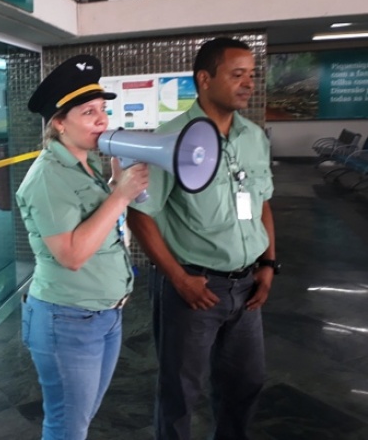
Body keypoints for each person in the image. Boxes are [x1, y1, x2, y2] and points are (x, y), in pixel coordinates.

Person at [127, 37, 278, 440]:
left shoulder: (253, 137)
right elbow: (139, 215)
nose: (248, 83)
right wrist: (179, 279)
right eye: (237, 74)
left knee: (246, 383)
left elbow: (262, 202)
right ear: (204, 79)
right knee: (180, 392)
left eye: (251, 74)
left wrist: (268, 264)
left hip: (247, 287)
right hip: (195, 288)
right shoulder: (170, 139)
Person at [16, 54, 149, 440]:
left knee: (80, 419)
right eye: (88, 112)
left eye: (102, 110)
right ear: (59, 123)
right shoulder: (48, 176)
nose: (102, 120)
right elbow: (71, 255)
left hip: (102, 315)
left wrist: (114, 184)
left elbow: (90, 221)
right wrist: (120, 196)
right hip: (68, 320)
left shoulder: (84, 163)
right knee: (67, 427)